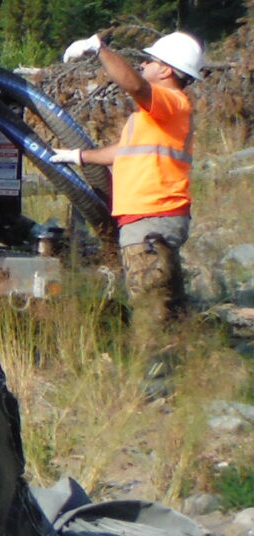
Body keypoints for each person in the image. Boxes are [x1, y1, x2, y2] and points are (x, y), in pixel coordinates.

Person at [54, 29, 203, 363]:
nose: (145, 64)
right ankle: (182, 372)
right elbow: (126, 151)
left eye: (150, 60)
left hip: (150, 220)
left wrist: (100, 49)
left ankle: (155, 386)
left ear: (166, 70)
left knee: (149, 306)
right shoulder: (157, 116)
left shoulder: (169, 101)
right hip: (154, 217)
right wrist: (78, 157)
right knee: (168, 304)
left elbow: (135, 85)